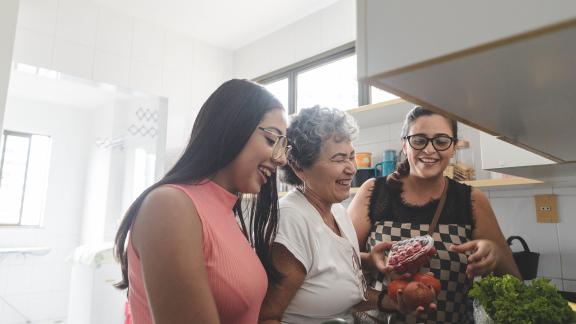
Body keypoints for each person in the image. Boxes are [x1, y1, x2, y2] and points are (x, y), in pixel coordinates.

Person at [113, 79, 290, 324]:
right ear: (231, 128)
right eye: (271, 140)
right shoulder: (170, 206)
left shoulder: (227, 212)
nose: (280, 159)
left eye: (283, 147)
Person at [348, 106, 521, 324]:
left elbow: (514, 282)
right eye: (419, 140)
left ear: (454, 147)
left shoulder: (472, 201)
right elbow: (336, 264)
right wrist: (372, 265)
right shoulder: (372, 192)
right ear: (404, 144)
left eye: (441, 141)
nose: (430, 150)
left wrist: (495, 255)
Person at [259, 106, 386, 324]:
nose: (352, 168)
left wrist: (391, 299)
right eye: (339, 159)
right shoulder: (292, 220)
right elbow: (268, 316)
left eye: (352, 156)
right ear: (299, 167)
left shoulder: (337, 211)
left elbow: (338, 294)